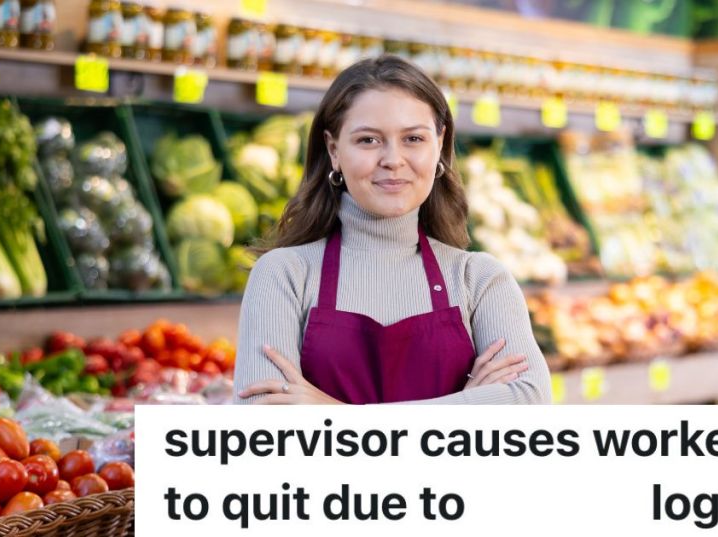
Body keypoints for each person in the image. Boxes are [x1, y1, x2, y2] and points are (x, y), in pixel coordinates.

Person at [233, 55, 551, 404]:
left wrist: (338, 415)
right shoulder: (284, 275)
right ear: (334, 149)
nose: (393, 160)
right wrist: (464, 409)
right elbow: (267, 433)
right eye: (368, 140)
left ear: (440, 146)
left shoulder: (479, 279)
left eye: (413, 139)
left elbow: (527, 407)